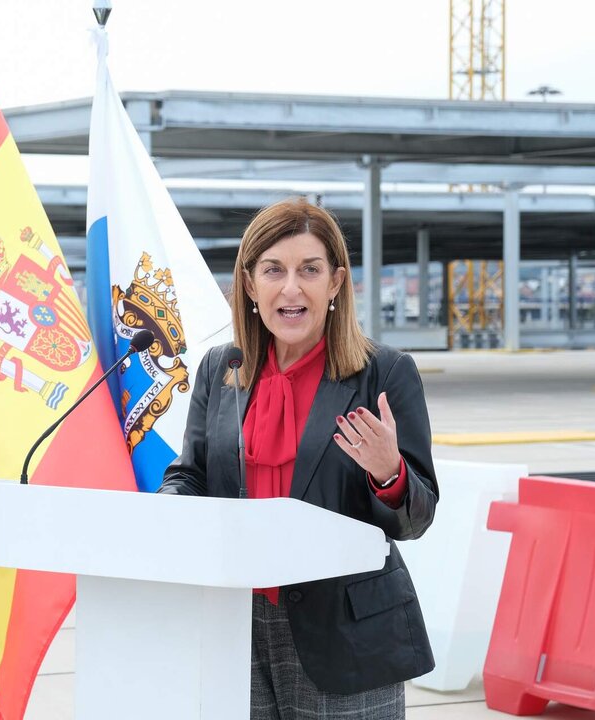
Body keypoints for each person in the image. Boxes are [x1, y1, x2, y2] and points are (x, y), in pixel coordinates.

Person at [159, 198, 438, 720]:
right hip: (234, 622)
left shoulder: (385, 373)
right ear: (249, 285)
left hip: (345, 632)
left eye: (309, 270)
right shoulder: (223, 368)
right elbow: (190, 474)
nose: (291, 288)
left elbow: (418, 517)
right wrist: (168, 509)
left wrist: (389, 472)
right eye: (274, 270)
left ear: (335, 283)